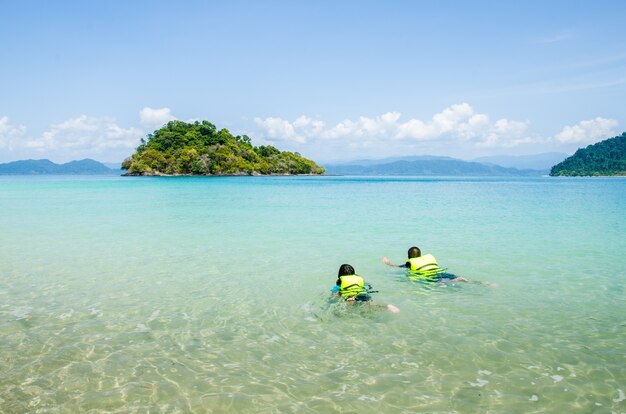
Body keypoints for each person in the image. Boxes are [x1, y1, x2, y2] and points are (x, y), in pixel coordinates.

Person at [331, 264, 400, 313]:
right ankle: (387, 306)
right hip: (363, 294)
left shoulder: (341, 282)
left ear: (340, 275)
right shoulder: (359, 279)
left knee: (348, 308)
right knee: (371, 304)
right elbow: (368, 285)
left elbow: (334, 293)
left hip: (350, 297)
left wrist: (333, 297)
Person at [382, 246, 468, 282]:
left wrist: (387, 263)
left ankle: (447, 282)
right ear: (420, 254)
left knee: (438, 282)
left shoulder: (410, 263)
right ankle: (460, 279)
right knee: (452, 277)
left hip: (430, 276)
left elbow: (397, 267)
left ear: (409, 256)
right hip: (440, 272)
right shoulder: (426, 259)